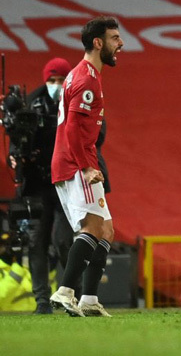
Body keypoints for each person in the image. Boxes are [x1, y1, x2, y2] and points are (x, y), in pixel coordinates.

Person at [48, 16, 123, 317]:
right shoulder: (86, 79)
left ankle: (89, 299)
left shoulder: (87, 73)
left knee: (106, 230)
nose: (120, 44)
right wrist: (85, 166)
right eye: (115, 38)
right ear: (98, 42)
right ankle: (65, 291)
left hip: (79, 161)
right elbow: (72, 130)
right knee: (92, 227)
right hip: (75, 163)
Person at [6, 58, 73, 314]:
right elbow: (16, 138)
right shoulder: (31, 103)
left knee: (64, 241)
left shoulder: (77, 101)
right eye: (52, 80)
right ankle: (42, 301)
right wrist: (15, 154)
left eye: (60, 80)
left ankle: (70, 295)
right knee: (37, 242)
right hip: (37, 183)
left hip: (66, 182)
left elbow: (97, 134)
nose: (56, 85)